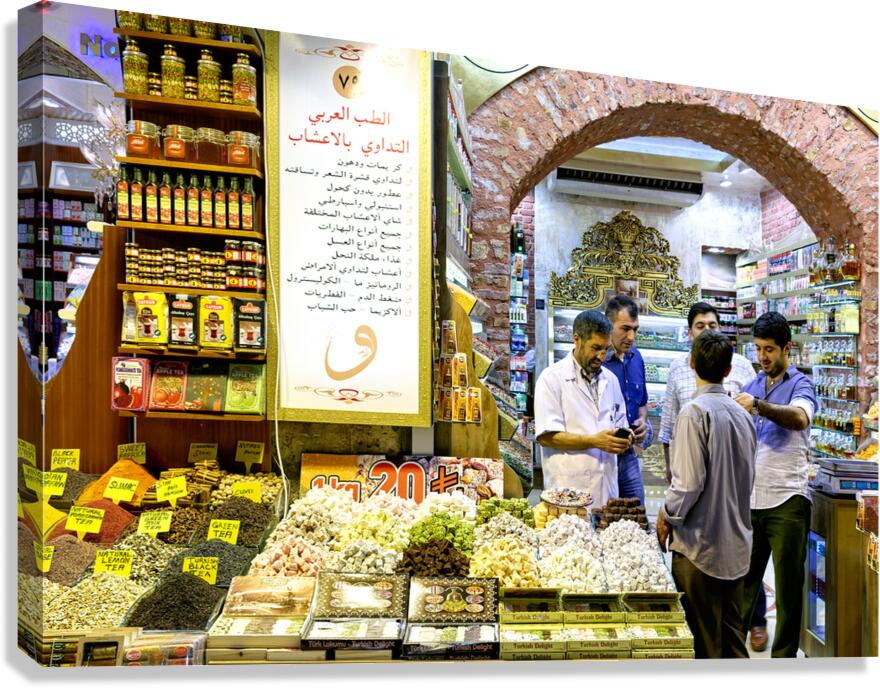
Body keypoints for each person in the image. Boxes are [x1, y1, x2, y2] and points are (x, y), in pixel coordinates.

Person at [658, 301, 768, 650]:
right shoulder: (742, 415)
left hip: (699, 550)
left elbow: (688, 484)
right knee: (733, 640)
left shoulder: (694, 413)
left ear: (692, 364)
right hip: (736, 548)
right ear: (727, 371)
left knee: (704, 644)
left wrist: (666, 514)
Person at [735, 312, 817, 658]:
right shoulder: (753, 384)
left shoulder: (801, 384)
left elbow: (799, 418)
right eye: (758, 349)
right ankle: (727, 652)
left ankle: (784, 661)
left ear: (787, 349)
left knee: (787, 590)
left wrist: (758, 406)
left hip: (788, 500)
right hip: (751, 501)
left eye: (769, 349)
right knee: (742, 586)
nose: (762, 357)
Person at [535, 309, 631, 507]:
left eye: (606, 349)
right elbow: (546, 436)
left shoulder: (610, 380)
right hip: (568, 489)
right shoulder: (551, 378)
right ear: (577, 339)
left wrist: (626, 437)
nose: (601, 356)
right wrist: (594, 441)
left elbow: (621, 423)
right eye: (595, 348)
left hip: (606, 489)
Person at [602, 294, 653, 504]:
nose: (631, 336)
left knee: (636, 513)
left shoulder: (637, 358)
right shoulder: (598, 362)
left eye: (635, 329)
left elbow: (642, 403)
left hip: (629, 454)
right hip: (602, 454)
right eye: (625, 329)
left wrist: (643, 422)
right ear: (609, 326)